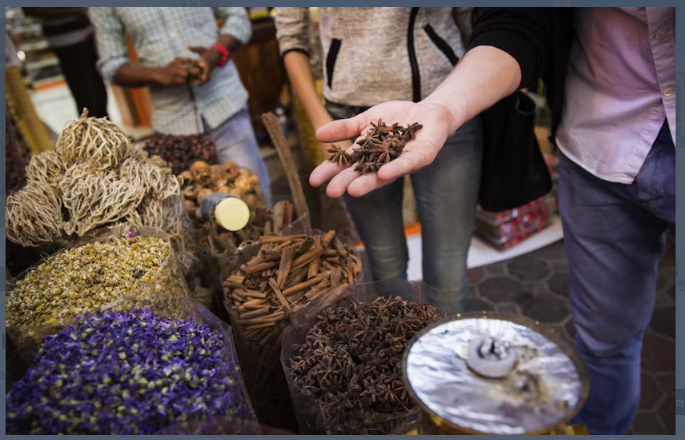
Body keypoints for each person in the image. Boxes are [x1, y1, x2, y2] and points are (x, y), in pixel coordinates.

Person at [312, 7, 675, 435]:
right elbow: (519, 20)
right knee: (605, 343)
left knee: (449, 270)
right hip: (598, 140)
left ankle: (446, 375)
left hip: (478, 105)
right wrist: (443, 107)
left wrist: (446, 104)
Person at [276, 7, 483, 310]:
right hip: (353, 115)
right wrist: (323, 122)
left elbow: (471, 20)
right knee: (385, 262)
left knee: (449, 266)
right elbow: (290, 33)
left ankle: (444, 337)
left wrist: (469, 95)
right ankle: (400, 336)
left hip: (445, 104)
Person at [88, 7, 272, 208]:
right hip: (174, 129)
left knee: (256, 203)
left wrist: (216, 53)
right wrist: (158, 74)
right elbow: (111, 65)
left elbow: (238, 17)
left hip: (225, 106)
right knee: (197, 214)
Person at [22, 8, 109, 119]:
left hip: (85, 32)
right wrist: (76, 10)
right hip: (66, 40)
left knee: (98, 91)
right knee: (86, 94)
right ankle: (92, 128)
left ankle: (103, 126)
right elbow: (31, 9)